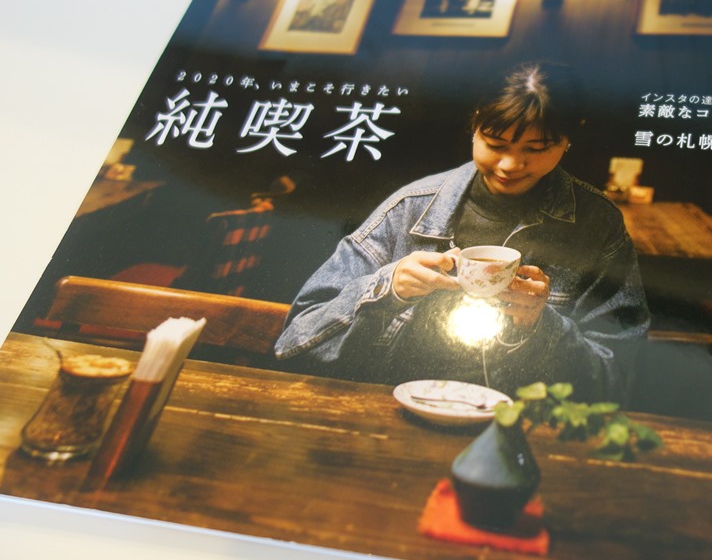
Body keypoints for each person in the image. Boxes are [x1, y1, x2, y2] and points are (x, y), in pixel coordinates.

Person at [274, 62, 649, 402]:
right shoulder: (411, 207)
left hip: (519, 429)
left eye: (536, 149)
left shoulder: (597, 225)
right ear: (474, 125)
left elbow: (615, 379)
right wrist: (388, 288)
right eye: (495, 144)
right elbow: (294, 342)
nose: (509, 165)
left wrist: (541, 325)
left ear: (568, 138)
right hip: (392, 413)